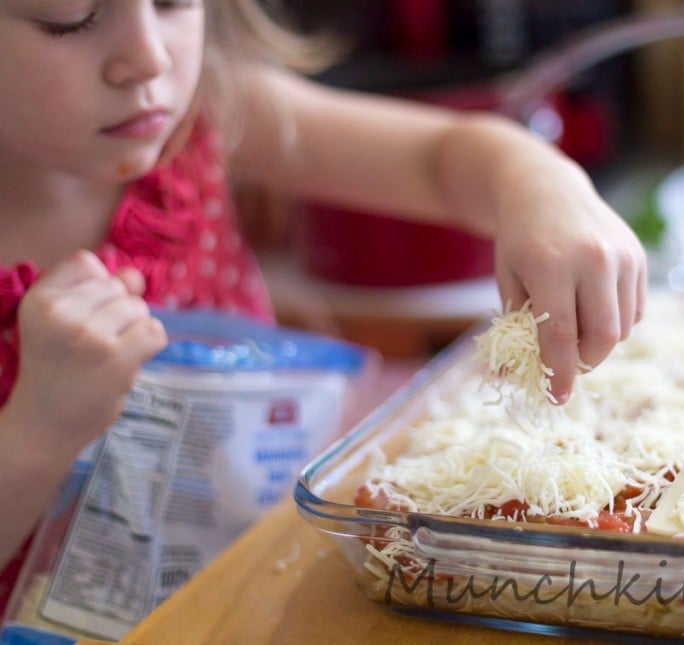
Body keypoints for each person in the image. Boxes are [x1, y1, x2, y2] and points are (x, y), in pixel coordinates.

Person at [0, 0, 646, 612]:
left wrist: (542, 184)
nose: (147, 58)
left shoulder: (210, 108)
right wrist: (38, 433)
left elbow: (436, 158)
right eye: (71, 18)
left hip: (266, 588)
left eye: (174, 2)